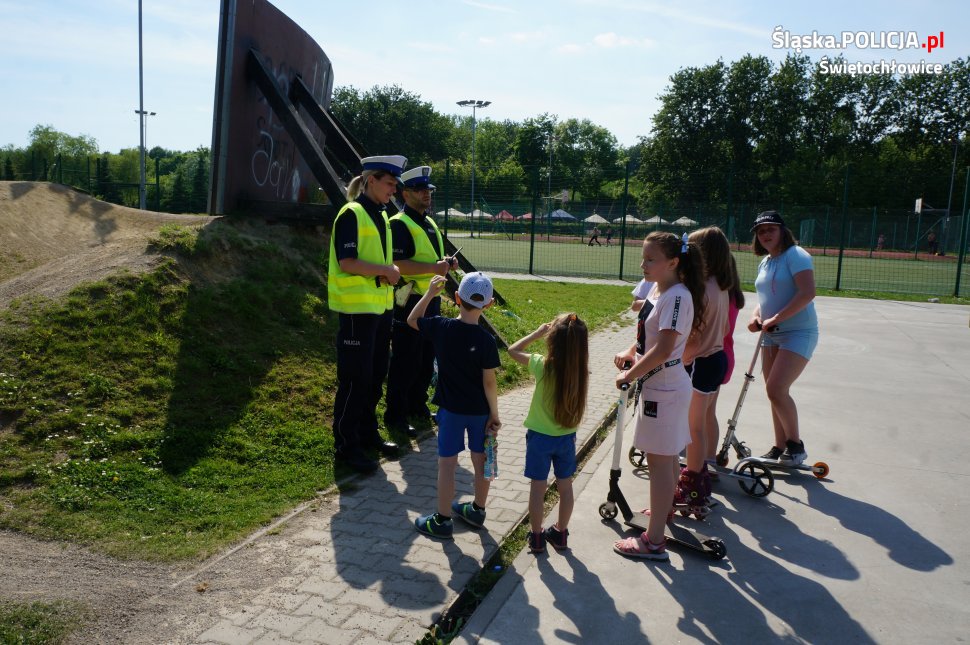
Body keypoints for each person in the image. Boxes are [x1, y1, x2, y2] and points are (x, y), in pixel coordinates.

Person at [611, 232, 706, 561]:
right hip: (656, 387)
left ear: (673, 263)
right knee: (659, 459)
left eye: (651, 259)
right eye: (644, 257)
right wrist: (629, 353)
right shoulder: (658, 289)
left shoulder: (677, 297)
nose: (643, 264)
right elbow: (646, 337)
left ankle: (653, 542)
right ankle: (662, 512)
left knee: (662, 461)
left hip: (665, 390)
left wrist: (630, 374)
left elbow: (665, 348)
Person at [328, 155, 407, 474]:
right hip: (355, 312)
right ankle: (346, 446)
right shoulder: (352, 213)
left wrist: (388, 273)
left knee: (374, 378)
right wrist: (386, 270)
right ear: (371, 180)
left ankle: (367, 433)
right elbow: (347, 262)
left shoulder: (382, 215)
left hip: (379, 310)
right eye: (390, 184)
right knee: (354, 380)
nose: (394, 191)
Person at [410, 272, 501, 539]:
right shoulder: (487, 341)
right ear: (490, 304)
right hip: (480, 413)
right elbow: (490, 384)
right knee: (481, 460)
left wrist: (428, 293)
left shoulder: (441, 327)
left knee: (447, 464)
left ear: (456, 298)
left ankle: (441, 520)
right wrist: (494, 415)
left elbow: (412, 320)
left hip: (450, 411)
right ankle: (477, 510)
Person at [385, 166, 458, 438]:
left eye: (428, 190)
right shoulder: (399, 223)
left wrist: (447, 264)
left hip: (432, 300)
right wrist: (435, 267)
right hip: (410, 301)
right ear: (405, 193)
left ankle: (416, 406)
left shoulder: (429, 222)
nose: (426, 194)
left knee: (426, 360)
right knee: (406, 360)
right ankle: (396, 415)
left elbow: (433, 261)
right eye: (420, 190)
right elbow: (397, 264)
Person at [507, 313, 589, 553]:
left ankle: (536, 537)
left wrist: (537, 332)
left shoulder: (543, 365)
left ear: (552, 340)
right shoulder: (581, 372)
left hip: (539, 438)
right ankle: (561, 534)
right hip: (566, 438)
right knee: (566, 487)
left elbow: (512, 350)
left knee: (537, 488)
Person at [746, 210, 818, 465]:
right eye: (760, 231)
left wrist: (776, 318)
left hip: (798, 332)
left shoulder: (796, 255)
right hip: (771, 334)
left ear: (782, 231)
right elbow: (764, 299)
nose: (765, 234)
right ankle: (779, 446)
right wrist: (756, 316)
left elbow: (808, 292)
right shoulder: (765, 261)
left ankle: (795, 446)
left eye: (770, 229)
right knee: (773, 392)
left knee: (777, 389)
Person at [678, 227, 732, 516]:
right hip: (716, 358)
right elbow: (722, 330)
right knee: (700, 423)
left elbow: (694, 337)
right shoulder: (722, 287)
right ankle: (698, 476)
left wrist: (676, 360)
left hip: (699, 362)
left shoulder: (701, 291)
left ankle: (692, 486)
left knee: (693, 428)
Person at [706, 255, 744, 469]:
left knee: (701, 416)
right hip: (724, 357)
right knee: (707, 413)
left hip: (711, 354)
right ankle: (709, 458)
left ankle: (706, 461)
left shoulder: (717, 294)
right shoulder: (731, 295)